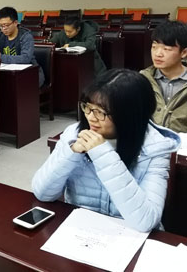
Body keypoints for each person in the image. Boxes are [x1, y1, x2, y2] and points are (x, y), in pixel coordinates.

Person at [32, 69, 180, 232]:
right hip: (82, 231)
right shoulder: (73, 134)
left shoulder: (156, 148)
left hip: (130, 236)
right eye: (87, 107)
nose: (91, 117)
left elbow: (146, 221)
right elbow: (42, 193)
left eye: (100, 112)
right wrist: (71, 152)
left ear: (129, 115)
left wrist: (102, 154)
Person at [140, 21, 187, 133]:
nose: (158, 54)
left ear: (184, 53)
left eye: (167, 49)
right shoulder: (142, 79)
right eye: (154, 47)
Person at [0, 6, 44, 86]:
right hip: (8, 73)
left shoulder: (26, 36)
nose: (4, 29)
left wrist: (1, 57)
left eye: (6, 25)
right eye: (1, 26)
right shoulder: (0, 36)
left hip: (29, 73)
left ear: (15, 23)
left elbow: (25, 58)